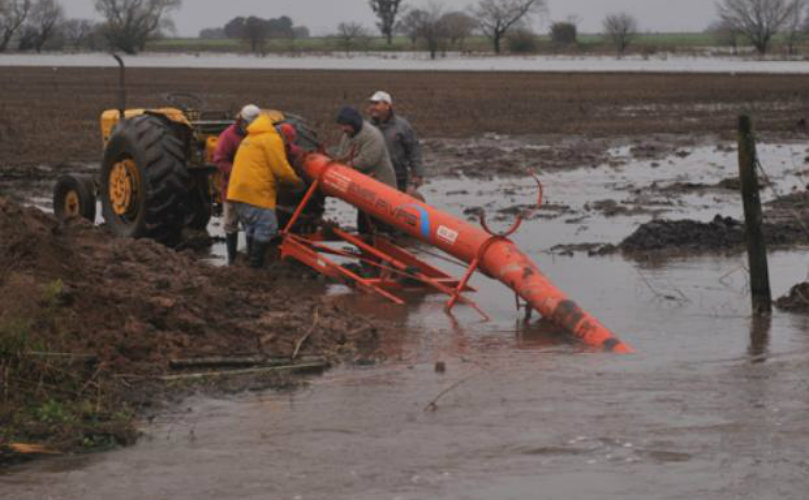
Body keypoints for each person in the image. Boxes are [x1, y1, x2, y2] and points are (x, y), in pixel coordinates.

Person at [227, 111, 303, 268]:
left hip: (238, 192)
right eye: (286, 144)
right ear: (283, 138)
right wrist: (297, 182)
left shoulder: (252, 136)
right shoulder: (272, 139)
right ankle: (256, 267)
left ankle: (249, 262)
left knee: (251, 227)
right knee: (268, 226)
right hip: (256, 193)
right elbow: (280, 169)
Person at [335, 106, 397, 234]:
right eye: (341, 125)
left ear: (353, 123)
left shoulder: (372, 135)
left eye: (345, 125)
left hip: (381, 186)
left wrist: (346, 166)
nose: (343, 129)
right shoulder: (347, 136)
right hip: (364, 190)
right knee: (364, 225)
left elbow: (367, 160)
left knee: (382, 224)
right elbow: (341, 155)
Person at [213, 104, 260, 265]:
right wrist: (238, 173)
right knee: (231, 223)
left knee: (250, 223)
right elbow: (219, 159)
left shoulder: (257, 135)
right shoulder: (228, 136)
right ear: (241, 120)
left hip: (251, 189)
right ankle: (232, 260)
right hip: (232, 188)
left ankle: (251, 258)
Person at [367, 90, 424, 192]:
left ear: (387, 106)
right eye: (371, 104)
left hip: (398, 178)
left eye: (376, 104)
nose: (372, 107)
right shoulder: (367, 128)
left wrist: (417, 175)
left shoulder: (402, 126)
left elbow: (414, 151)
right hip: (373, 179)